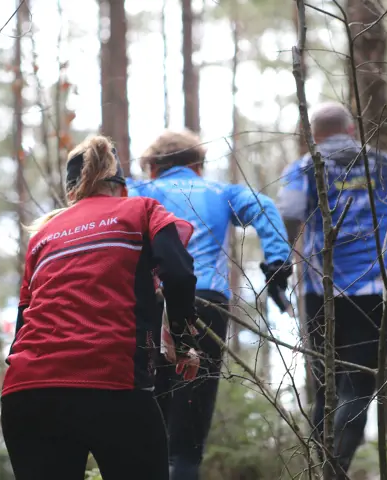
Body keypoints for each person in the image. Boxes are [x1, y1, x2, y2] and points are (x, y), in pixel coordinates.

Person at [1, 135, 202, 480]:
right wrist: (183, 341)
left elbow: (23, 324)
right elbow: (179, 273)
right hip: (112, 386)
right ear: (122, 187)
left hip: (27, 393)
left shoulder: (43, 236)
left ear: (71, 194)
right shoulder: (142, 209)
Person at [127, 129, 292, 480]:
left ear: (153, 167)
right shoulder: (221, 192)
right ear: (198, 165)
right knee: (187, 442)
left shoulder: (140, 190)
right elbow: (264, 206)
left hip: (151, 306)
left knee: (147, 429)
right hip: (207, 305)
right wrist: (277, 263)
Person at [277, 102, 387, 477]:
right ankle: (335, 469)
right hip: (377, 292)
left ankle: (325, 469)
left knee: (326, 385)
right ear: (351, 130)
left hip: (319, 291)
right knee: (359, 387)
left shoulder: (303, 168)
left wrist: (279, 271)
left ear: (314, 135)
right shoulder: (386, 165)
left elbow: (290, 218)